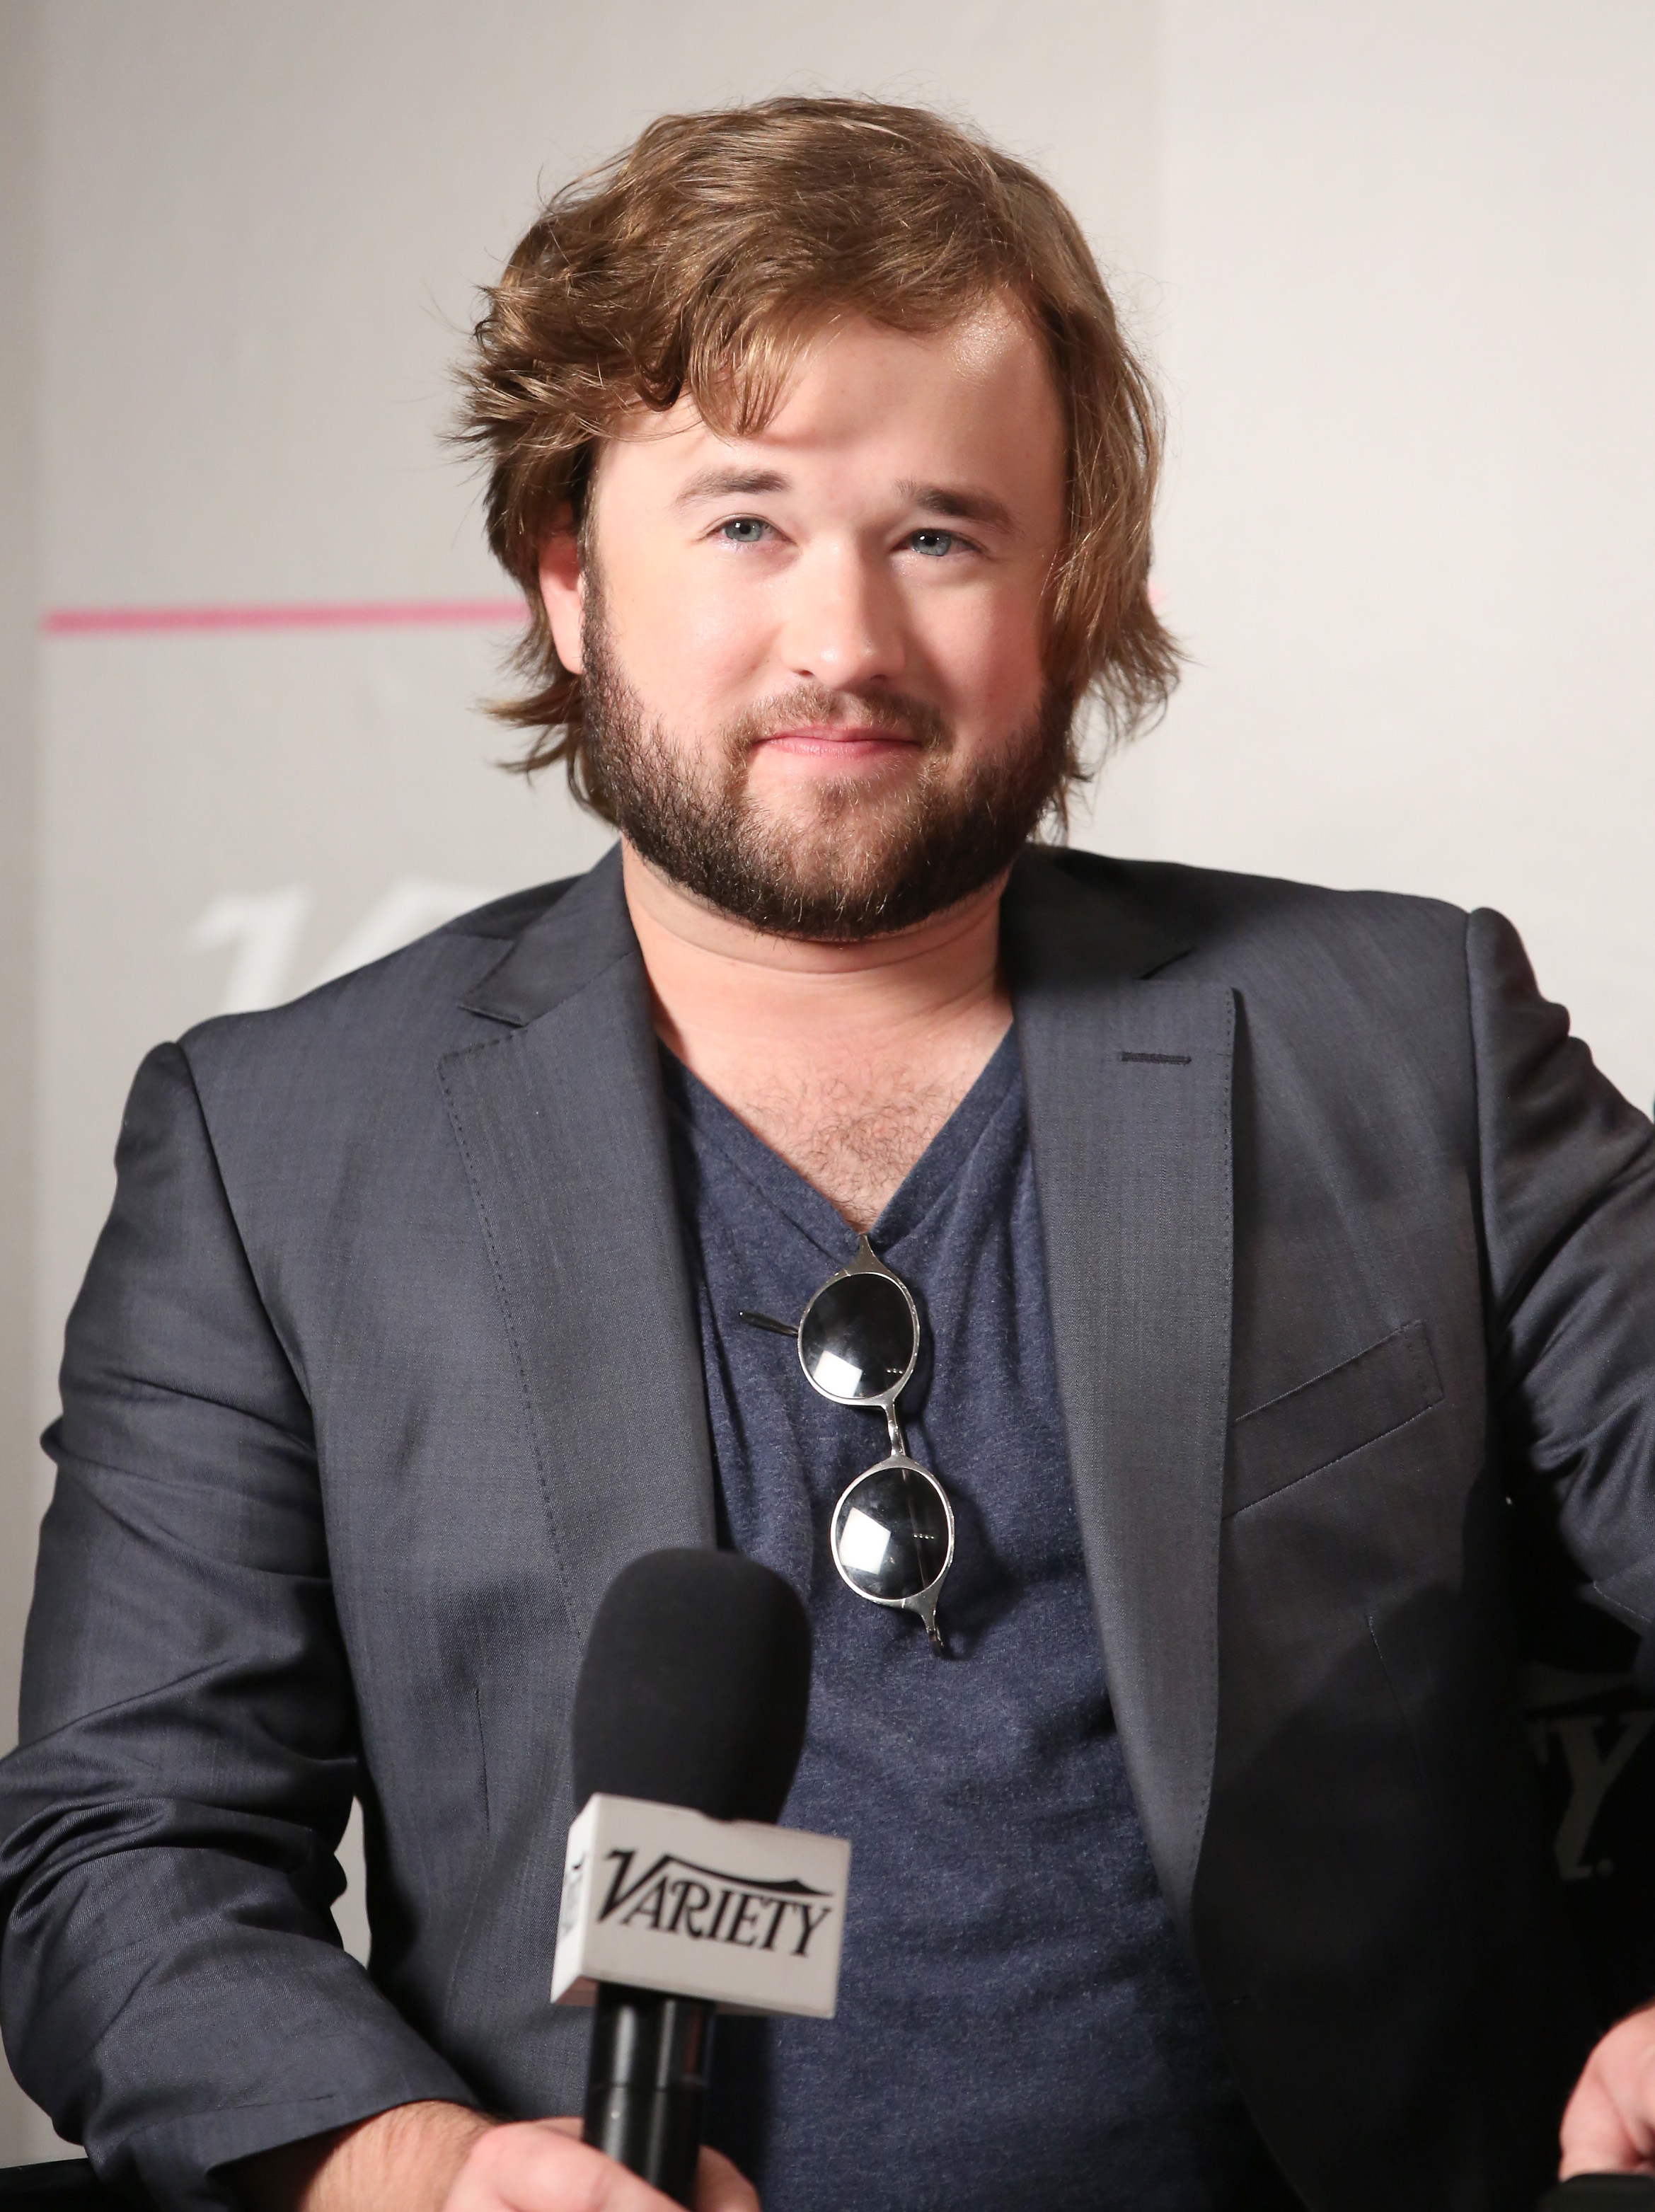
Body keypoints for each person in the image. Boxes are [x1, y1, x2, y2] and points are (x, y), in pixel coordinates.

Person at [2, 93, 1654, 2212]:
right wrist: (415, 2172)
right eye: (746, 521)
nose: (845, 642)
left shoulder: (1397, 1040)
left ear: (1068, 592)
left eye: (941, 532)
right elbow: (122, 1848)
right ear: (569, 578)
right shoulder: (275, 1149)